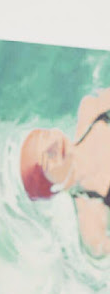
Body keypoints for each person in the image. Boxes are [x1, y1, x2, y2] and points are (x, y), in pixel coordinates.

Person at [20, 88, 110, 256]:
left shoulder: (91, 110)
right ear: (51, 186)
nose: (53, 146)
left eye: (46, 136)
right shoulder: (89, 218)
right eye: (47, 159)